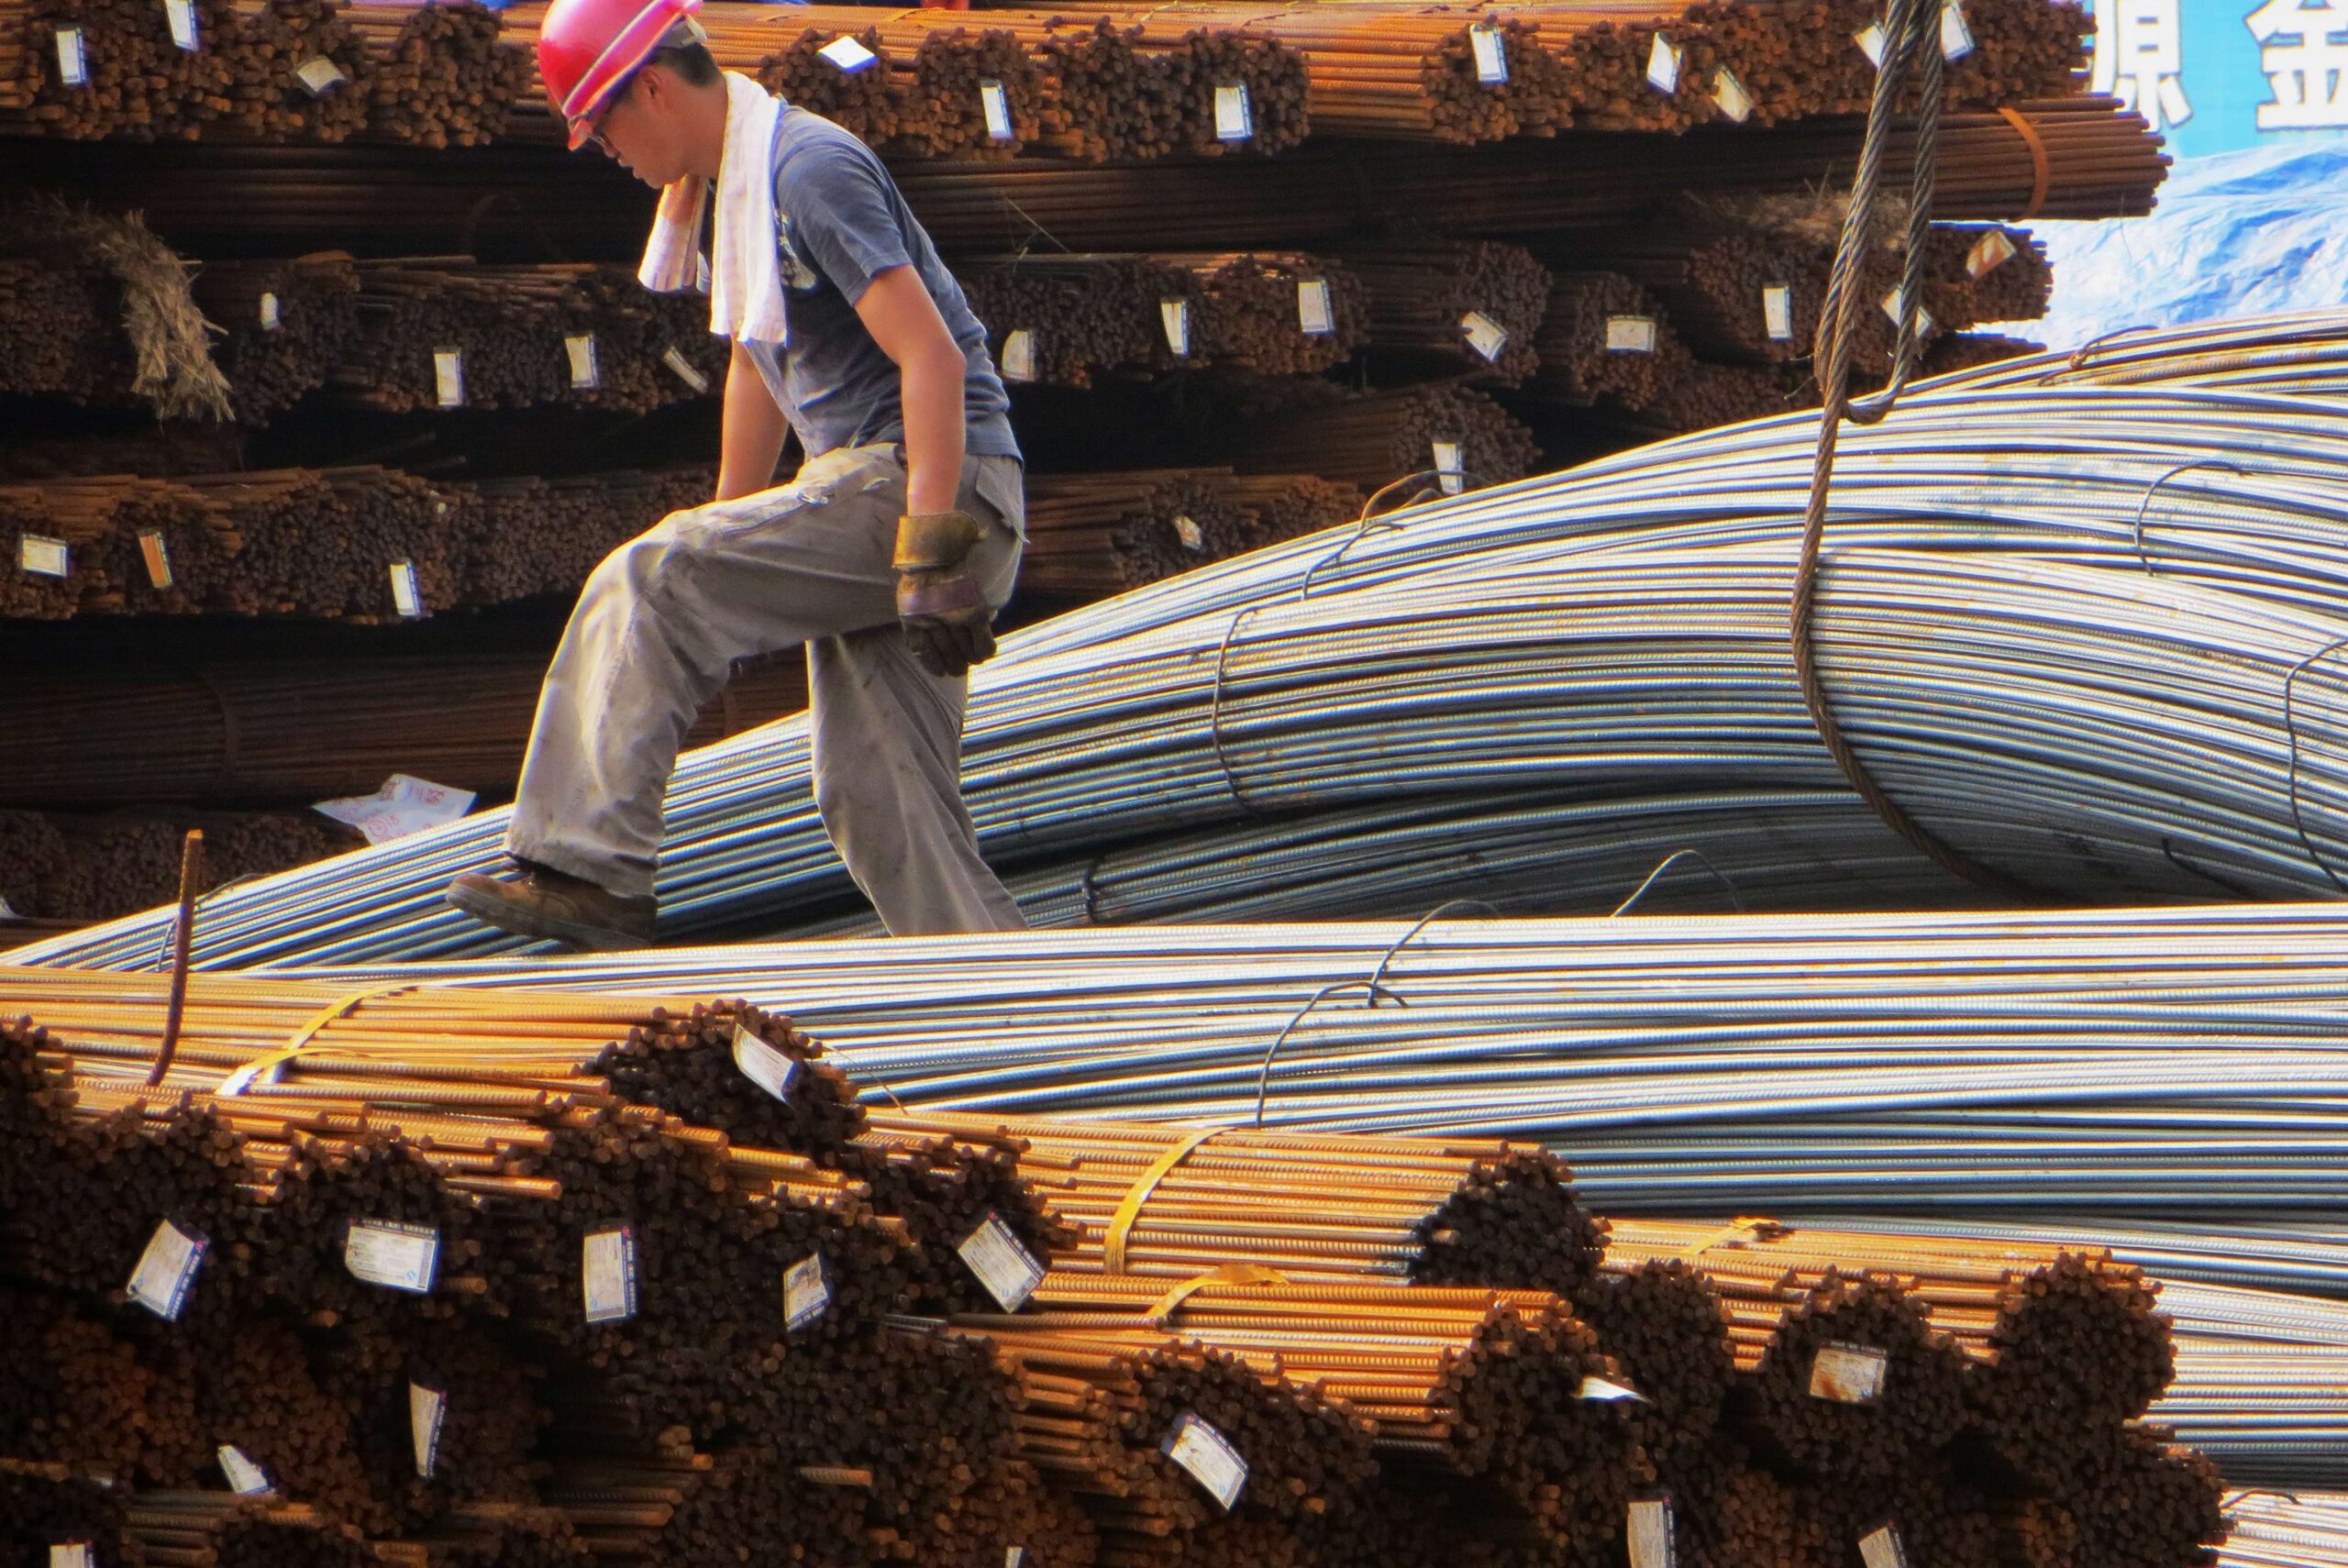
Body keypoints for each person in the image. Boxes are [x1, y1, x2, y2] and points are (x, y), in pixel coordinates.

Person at [445, 0, 1030, 951]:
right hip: (891, 493)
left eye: (604, 131)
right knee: (877, 800)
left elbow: (933, 358)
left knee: (650, 572)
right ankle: (1013, 1009)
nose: (608, 154)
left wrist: (930, 547)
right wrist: (732, 527)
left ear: (653, 89)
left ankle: (586, 867)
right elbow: (756, 361)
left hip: (932, 484)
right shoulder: (731, 191)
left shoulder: (807, 170)